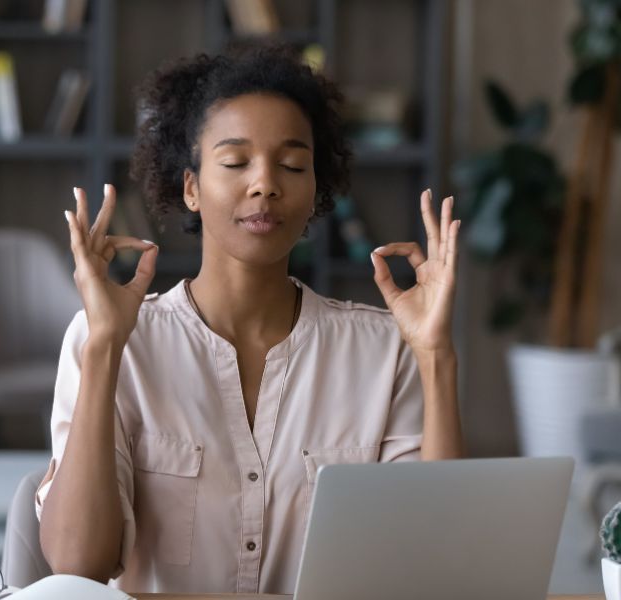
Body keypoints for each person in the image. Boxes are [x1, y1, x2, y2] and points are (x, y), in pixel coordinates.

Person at [37, 45, 464, 595]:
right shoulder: (114, 341)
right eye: (236, 162)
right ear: (190, 187)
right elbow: (77, 568)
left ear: (315, 192)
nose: (266, 183)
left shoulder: (386, 349)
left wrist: (435, 354)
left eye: (292, 165)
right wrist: (104, 346)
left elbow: (439, 563)